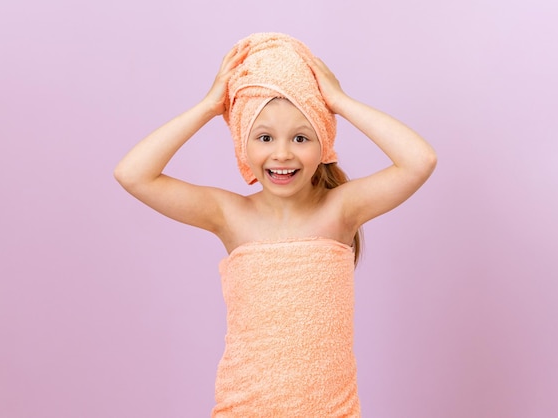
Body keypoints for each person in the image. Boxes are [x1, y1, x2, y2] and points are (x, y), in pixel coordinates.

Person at [114, 33, 436, 417]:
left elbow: (420, 160)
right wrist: (207, 107)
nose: (282, 153)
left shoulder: (340, 211)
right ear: (242, 147)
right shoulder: (230, 215)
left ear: (324, 145)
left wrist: (340, 103)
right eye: (264, 137)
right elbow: (133, 174)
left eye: (301, 137)